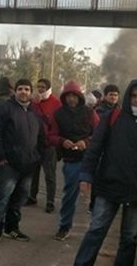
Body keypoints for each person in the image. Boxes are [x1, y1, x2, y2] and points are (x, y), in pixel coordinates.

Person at [74, 80, 137, 265]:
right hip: (109, 187)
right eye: (133, 95)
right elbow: (95, 148)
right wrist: (86, 175)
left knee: (129, 239)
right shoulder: (113, 118)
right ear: (128, 97)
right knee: (95, 231)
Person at [0, 79, 46, 245]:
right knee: (2, 198)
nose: (23, 92)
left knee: (19, 199)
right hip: (8, 165)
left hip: (27, 165)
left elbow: (41, 137)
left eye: (26, 89)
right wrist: (1, 158)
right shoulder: (5, 109)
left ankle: (12, 228)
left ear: (30, 92)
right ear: (15, 91)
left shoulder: (34, 112)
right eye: (20, 89)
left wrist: (37, 157)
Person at [47, 80, 100, 241]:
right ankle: (65, 226)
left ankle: (97, 229)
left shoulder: (90, 113)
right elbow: (51, 136)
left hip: (91, 159)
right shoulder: (58, 114)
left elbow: (100, 134)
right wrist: (62, 141)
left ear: (79, 97)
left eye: (74, 96)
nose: (71, 99)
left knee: (99, 196)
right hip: (71, 160)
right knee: (70, 195)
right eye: (68, 96)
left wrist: (86, 142)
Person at [29, 78, 62, 213]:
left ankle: (50, 201)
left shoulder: (56, 103)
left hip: (49, 145)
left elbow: (59, 123)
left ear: (48, 88)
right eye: (38, 87)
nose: (40, 89)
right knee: (33, 172)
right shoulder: (34, 102)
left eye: (43, 87)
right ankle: (32, 196)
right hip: (35, 144)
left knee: (49, 175)